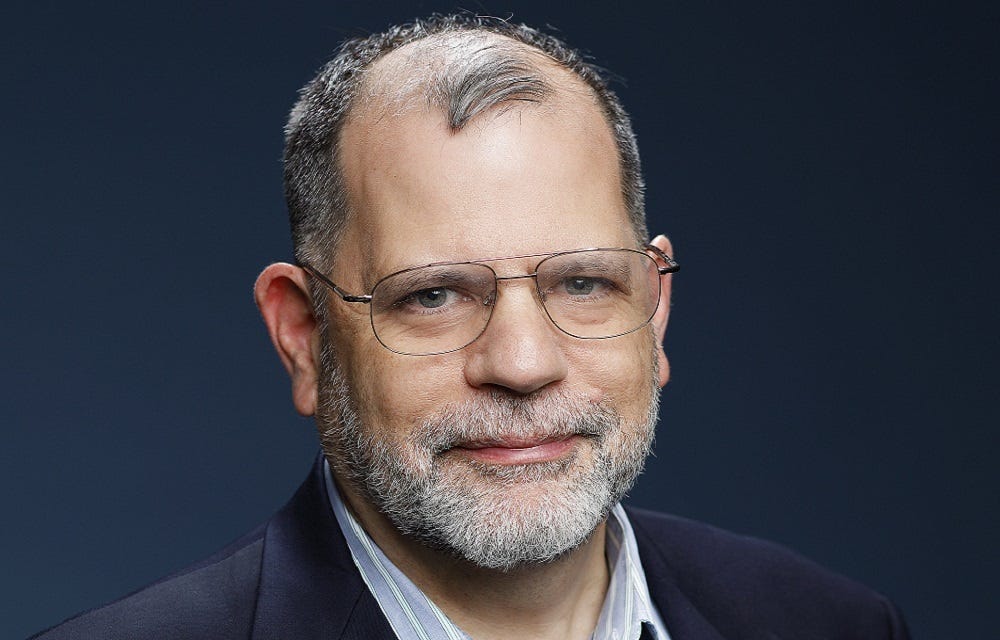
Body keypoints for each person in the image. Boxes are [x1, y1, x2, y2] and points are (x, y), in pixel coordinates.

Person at [31, 14, 910, 640]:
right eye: (434, 296)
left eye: (583, 283)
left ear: (654, 308)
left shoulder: (831, 623)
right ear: (303, 335)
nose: (523, 363)